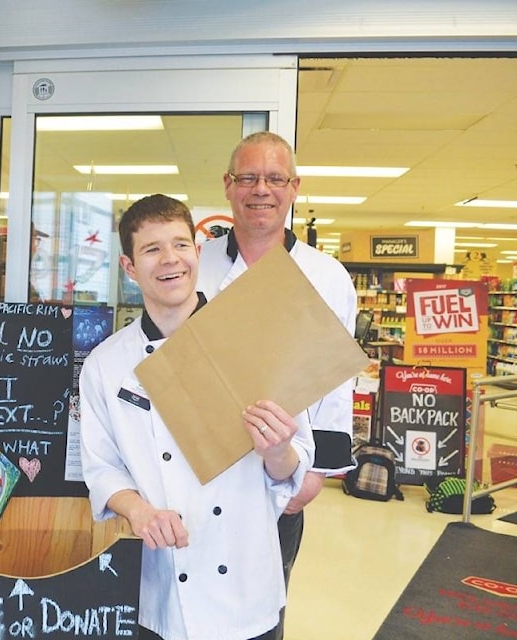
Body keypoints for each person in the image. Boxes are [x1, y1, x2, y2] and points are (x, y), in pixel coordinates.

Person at [79, 194, 315, 640]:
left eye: (180, 245)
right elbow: (101, 467)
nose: (170, 260)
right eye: (152, 249)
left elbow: (292, 467)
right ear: (130, 268)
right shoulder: (106, 364)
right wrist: (140, 511)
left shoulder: (252, 343)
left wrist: (278, 450)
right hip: (162, 585)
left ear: (197, 252)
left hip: (246, 585)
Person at [197, 131, 358, 639]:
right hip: (197, 466)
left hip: (279, 471)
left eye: (274, 178)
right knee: (191, 600)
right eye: (247, 177)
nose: (260, 189)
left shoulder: (327, 276)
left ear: (294, 188)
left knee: (262, 611)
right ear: (228, 186)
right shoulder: (195, 265)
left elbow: (337, 386)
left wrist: (316, 475)